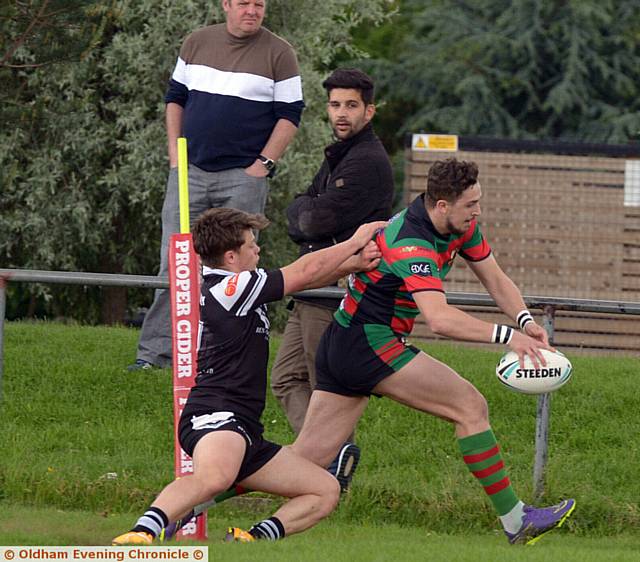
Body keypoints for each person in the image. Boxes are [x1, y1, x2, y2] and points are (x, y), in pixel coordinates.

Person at [290, 158, 576, 546]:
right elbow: (439, 319)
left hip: (349, 343)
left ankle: (200, 497)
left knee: (303, 461)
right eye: (470, 204)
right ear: (442, 205)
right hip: (369, 342)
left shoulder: (461, 226)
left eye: (478, 202)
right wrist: (508, 337)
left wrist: (525, 321)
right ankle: (516, 520)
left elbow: (495, 277)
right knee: (470, 407)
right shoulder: (411, 240)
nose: (477, 211)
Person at [112, 207, 386, 545]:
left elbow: (309, 279)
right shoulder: (230, 287)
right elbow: (305, 270)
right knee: (216, 477)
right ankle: (142, 533)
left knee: (324, 490)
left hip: (245, 429)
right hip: (215, 414)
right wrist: (355, 242)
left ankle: (250, 540)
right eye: (250, 244)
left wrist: (352, 265)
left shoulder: (242, 285)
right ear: (231, 256)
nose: (257, 250)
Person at [129, 0, 304, 371]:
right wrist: (175, 160)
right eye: (244, 3)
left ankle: (228, 356)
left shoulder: (280, 53)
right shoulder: (196, 42)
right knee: (175, 262)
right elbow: (175, 99)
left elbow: (290, 115)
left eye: (259, 4)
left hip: (243, 177)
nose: (252, 10)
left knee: (237, 267)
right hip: (189, 171)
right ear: (226, 4)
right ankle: (155, 357)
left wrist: (263, 165)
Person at [270, 68, 394, 489]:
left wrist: (305, 213)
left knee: (328, 390)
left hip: (335, 291)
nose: (341, 113)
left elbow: (312, 216)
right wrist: (304, 213)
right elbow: (301, 214)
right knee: (286, 379)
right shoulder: (340, 154)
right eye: (335, 105)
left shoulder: (367, 161)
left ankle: (329, 471)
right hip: (313, 286)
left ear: (369, 110)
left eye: (351, 106)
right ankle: (327, 458)